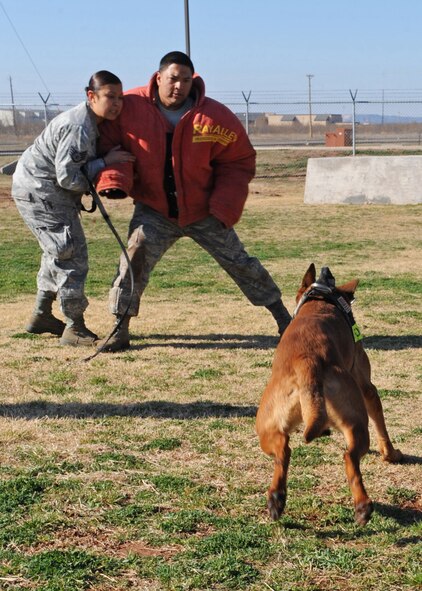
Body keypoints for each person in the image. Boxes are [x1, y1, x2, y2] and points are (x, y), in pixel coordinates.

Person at [95, 51, 291, 352]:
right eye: (173, 79)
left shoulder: (214, 116)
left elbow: (239, 160)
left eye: (186, 80)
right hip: (155, 211)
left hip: (203, 211)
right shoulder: (130, 107)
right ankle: (120, 328)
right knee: (133, 260)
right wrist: (113, 178)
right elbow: (108, 141)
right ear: (159, 78)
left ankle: (284, 322)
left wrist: (225, 203)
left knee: (241, 263)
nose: (179, 86)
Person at [12, 71, 135, 346]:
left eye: (120, 97)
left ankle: (41, 315)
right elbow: (67, 177)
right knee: (70, 255)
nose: (116, 103)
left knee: (56, 251)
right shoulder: (79, 126)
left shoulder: (91, 121)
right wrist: (104, 162)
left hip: (41, 191)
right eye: (109, 97)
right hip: (43, 193)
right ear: (91, 97)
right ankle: (74, 327)